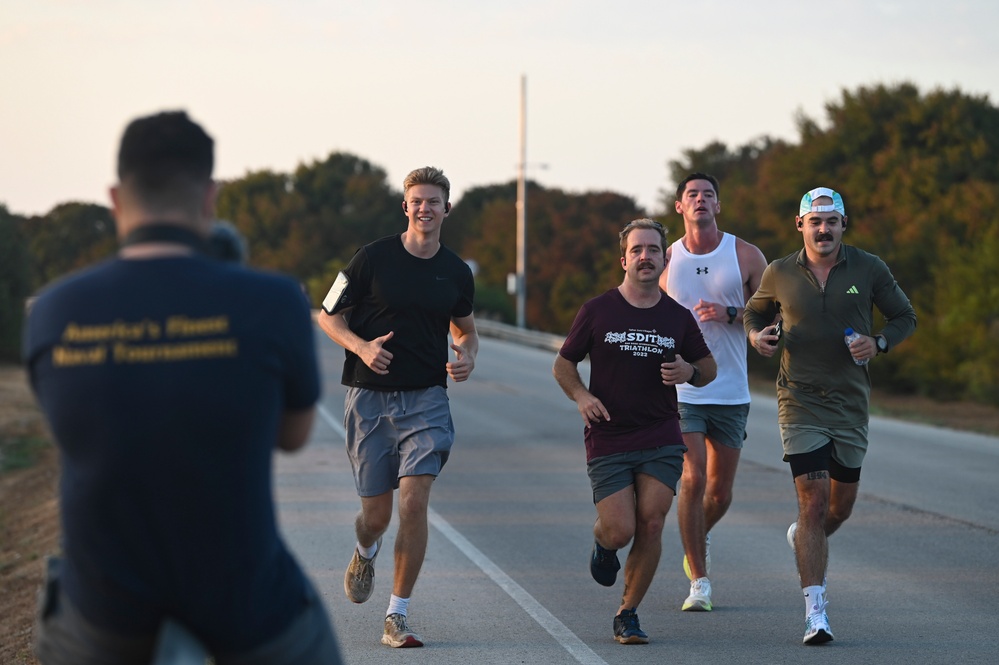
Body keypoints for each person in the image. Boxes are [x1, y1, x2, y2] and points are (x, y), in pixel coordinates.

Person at [24, 111, 342, 664]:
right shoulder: (275, 302)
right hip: (246, 603)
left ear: (116, 199)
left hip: (104, 613)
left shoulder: (53, 313)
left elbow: (75, 428)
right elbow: (292, 436)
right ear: (210, 197)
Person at [744, 187, 916, 645]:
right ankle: (815, 612)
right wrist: (758, 337)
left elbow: (904, 316)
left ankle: (804, 536)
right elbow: (754, 312)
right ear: (800, 225)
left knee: (838, 508)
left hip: (850, 404)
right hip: (799, 400)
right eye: (814, 222)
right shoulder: (779, 271)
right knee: (814, 501)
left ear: (843, 225)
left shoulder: (869, 267)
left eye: (832, 221)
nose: (824, 229)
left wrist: (877, 343)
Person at [317, 166, 478, 648]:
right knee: (377, 516)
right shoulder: (371, 259)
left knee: (413, 500)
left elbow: (465, 329)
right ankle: (365, 550)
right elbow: (326, 315)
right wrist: (362, 347)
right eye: (417, 201)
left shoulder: (455, 271)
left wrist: (466, 355)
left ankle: (396, 615)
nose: (425, 208)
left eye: (434, 201)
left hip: (427, 399)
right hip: (369, 400)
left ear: (446, 209)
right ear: (404, 207)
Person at [553, 218, 717, 644]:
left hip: (660, 433)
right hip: (608, 434)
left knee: (652, 521)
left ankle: (628, 613)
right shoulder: (597, 310)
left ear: (664, 259)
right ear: (623, 259)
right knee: (620, 528)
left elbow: (709, 368)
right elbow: (563, 364)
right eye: (638, 249)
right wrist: (582, 397)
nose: (646, 256)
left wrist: (689, 370)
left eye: (654, 250)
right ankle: (604, 544)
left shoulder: (676, 317)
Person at [660, 173, 768, 612]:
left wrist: (732, 312)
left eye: (708, 195)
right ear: (679, 207)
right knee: (692, 477)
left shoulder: (744, 254)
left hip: (731, 389)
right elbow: (642, 307)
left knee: (719, 494)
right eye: (692, 195)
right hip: (683, 390)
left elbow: (774, 314)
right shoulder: (665, 258)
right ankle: (699, 580)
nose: (700, 200)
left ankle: (696, 535)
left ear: (718, 206)